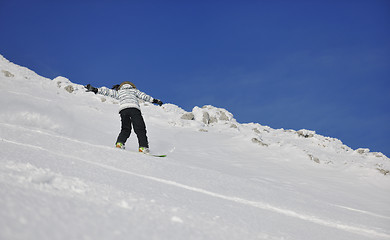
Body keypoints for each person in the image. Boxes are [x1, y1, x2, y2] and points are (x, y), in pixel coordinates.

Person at [85, 81, 163, 154]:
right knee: (140, 128)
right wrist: (155, 101)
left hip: (123, 110)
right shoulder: (134, 91)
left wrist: (95, 90)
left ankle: (120, 143)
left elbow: (108, 92)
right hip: (134, 109)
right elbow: (144, 96)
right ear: (132, 86)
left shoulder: (119, 92)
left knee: (125, 129)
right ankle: (143, 147)